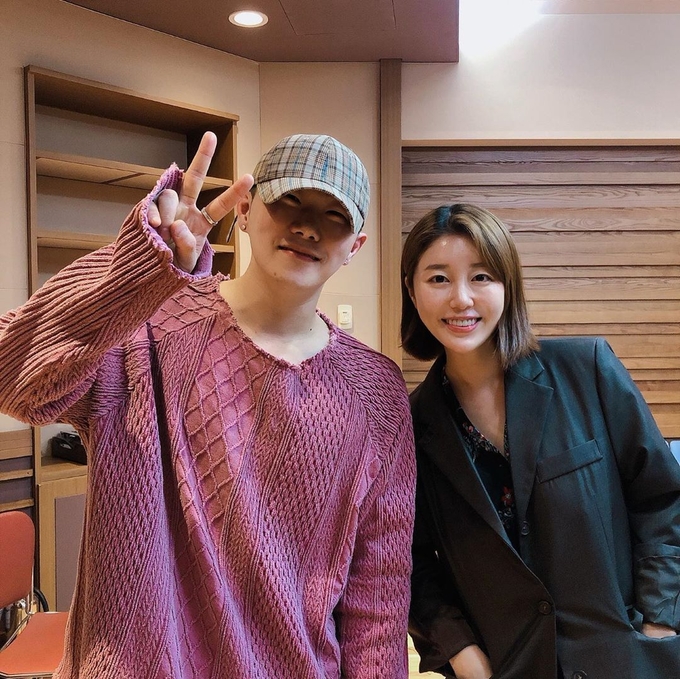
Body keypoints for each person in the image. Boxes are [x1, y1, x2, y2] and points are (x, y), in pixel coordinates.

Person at [0, 132, 416, 678]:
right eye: (289, 200)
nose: (308, 227)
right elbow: (13, 376)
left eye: (333, 216)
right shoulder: (151, 325)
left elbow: (378, 593)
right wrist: (136, 272)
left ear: (355, 246)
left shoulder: (376, 391)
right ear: (244, 210)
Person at [401, 203, 680, 679]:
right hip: (511, 664)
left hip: (626, 656)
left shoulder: (586, 368)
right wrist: (460, 650)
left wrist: (659, 620)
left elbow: (661, 498)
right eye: (439, 279)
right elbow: (410, 560)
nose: (461, 299)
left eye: (482, 277)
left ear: (508, 284)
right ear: (412, 289)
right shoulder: (411, 423)